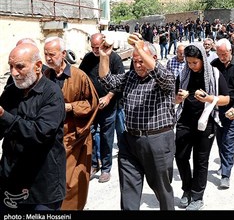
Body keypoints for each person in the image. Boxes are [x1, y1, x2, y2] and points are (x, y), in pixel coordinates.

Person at [98, 33, 176, 210]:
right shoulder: (130, 77)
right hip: (130, 141)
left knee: (162, 189)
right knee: (129, 191)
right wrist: (104, 57)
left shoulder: (165, 78)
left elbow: (161, 75)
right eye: (135, 61)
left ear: (153, 58)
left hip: (157, 141)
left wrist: (140, 48)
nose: (138, 65)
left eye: (141, 61)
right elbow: (107, 81)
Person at [0, 43, 66, 211]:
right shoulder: (10, 92)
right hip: (11, 182)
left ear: (37, 66)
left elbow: (40, 133)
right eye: (11, 66)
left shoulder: (52, 93)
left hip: (42, 187)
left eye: (20, 67)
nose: (14, 73)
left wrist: (3, 115)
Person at [43, 37, 99, 210]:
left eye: (52, 54)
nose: (48, 58)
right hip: (51, 138)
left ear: (63, 54)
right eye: (45, 54)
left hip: (74, 138)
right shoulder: (45, 76)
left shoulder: (78, 76)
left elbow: (92, 103)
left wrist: (70, 107)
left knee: (71, 183)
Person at [175, 43, 229, 210]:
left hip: (206, 122)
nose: (191, 66)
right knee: (181, 156)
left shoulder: (214, 74)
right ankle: (187, 190)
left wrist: (208, 99)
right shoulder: (183, 74)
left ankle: (197, 196)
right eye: (189, 62)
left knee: (201, 160)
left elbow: (226, 99)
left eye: (195, 63)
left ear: (203, 60)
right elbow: (173, 99)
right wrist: (179, 98)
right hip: (185, 121)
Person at [79, 33, 125, 183]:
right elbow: (81, 77)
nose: (95, 50)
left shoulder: (115, 58)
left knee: (106, 137)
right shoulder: (88, 58)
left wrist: (109, 96)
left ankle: (106, 168)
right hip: (92, 106)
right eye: (92, 47)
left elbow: (121, 82)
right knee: (90, 135)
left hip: (109, 106)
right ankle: (93, 164)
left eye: (97, 47)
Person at [211, 38, 234, 189]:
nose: (221, 57)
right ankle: (223, 164)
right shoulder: (214, 65)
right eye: (219, 54)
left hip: (233, 108)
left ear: (230, 51)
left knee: (228, 139)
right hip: (217, 107)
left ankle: (226, 174)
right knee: (220, 139)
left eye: (224, 54)